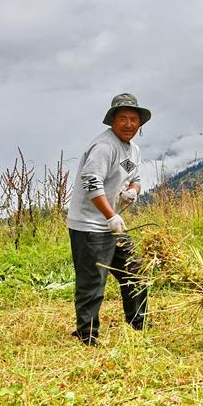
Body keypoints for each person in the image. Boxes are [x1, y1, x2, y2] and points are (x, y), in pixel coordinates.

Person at [66, 93, 151, 345]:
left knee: (135, 272)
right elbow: (91, 182)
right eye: (123, 118)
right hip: (90, 226)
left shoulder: (132, 149)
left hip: (114, 225)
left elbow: (135, 178)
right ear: (112, 121)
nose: (128, 124)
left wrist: (132, 192)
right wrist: (110, 215)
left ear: (140, 123)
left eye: (134, 119)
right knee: (93, 281)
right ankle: (87, 335)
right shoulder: (104, 147)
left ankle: (138, 324)